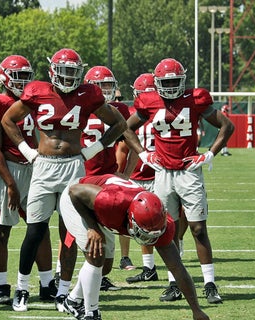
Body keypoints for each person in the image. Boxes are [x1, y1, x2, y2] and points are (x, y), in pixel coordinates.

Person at [1, 48, 146, 312]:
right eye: (64, 72)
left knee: (69, 233)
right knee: (35, 230)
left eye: (73, 73)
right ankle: (21, 288)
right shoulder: (36, 90)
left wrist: (93, 149)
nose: (68, 78)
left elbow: (119, 123)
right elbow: (8, 120)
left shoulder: (88, 94)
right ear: (53, 71)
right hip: (43, 166)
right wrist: (27, 152)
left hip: (72, 167)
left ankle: (63, 292)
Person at [127, 58, 234, 304]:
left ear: (183, 80)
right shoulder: (149, 100)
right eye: (166, 82)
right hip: (163, 173)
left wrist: (208, 154)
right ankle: (173, 284)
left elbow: (226, 126)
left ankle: (209, 283)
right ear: (156, 83)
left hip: (189, 172)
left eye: (175, 81)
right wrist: (144, 154)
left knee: (198, 228)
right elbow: (126, 127)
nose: (171, 86)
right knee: (168, 230)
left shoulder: (195, 98)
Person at [58, 174, 210, 320]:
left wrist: (197, 310)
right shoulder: (112, 201)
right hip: (76, 200)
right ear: (131, 219)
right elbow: (75, 192)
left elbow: (177, 268)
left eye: (152, 236)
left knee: (105, 266)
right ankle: (91, 314)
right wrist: (93, 228)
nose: (148, 240)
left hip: (101, 206)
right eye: (144, 234)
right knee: (96, 255)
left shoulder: (162, 224)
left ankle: (72, 301)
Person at [0, 55, 55, 305]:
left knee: (40, 228)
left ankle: (46, 284)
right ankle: (1, 286)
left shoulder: (33, 100)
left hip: (34, 168)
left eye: (26, 75)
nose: (23, 81)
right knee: (2, 231)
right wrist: (10, 183)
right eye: (18, 76)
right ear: (4, 77)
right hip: (8, 170)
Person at [82, 65, 134, 284]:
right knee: (72, 232)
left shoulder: (119, 110)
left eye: (108, 85)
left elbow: (130, 144)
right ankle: (59, 273)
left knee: (107, 255)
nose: (105, 90)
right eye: (100, 86)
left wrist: (125, 175)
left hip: (108, 177)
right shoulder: (79, 107)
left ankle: (98, 277)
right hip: (82, 176)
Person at [116, 73, 161, 284]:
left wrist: (121, 173)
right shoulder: (164, 110)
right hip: (156, 172)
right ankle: (149, 265)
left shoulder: (136, 113)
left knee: (146, 221)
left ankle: (150, 266)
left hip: (149, 173)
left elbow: (123, 145)